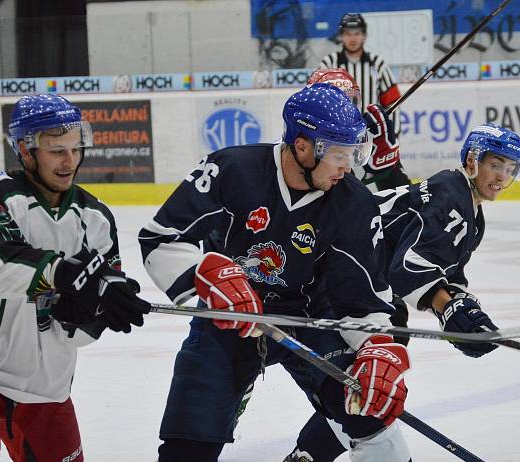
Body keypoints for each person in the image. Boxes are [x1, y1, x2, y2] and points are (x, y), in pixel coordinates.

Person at [139, 83, 411, 461]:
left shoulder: (354, 203)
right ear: (302, 146)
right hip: (228, 318)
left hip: (312, 319)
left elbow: (363, 300)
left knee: (371, 414)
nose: (348, 166)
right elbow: (161, 239)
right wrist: (207, 273)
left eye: (353, 152)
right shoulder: (232, 169)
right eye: (338, 154)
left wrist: (376, 347)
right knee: (188, 445)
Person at [0, 93, 151, 462]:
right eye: (57, 151)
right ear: (25, 151)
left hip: (44, 385)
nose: (69, 161)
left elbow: (80, 326)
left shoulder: (96, 218)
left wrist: (94, 314)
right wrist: (62, 272)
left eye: (75, 149)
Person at [287, 123, 520, 460]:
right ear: (473, 161)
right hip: (341, 286)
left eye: (510, 168)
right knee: (371, 389)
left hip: (371, 291)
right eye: (495, 164)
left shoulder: (468, 208)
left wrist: (464, 308)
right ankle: (315, 452)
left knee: (372, 388)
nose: (502, 176)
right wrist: (449, 309)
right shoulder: (450, 195)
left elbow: (447, 269)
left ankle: (309, 453)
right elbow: (408, 268)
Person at [318, 13, 410, 191]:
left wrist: (391, 138)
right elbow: (320, 103)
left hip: (375, 138)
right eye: (348, 33)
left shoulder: (378, 64)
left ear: (364, 35)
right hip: (340, 139)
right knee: (343, 190)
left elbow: (393, 104)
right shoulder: (329, 64)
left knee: (399, 190)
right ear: (341, 36)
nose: (352, 38)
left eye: (357, 33)